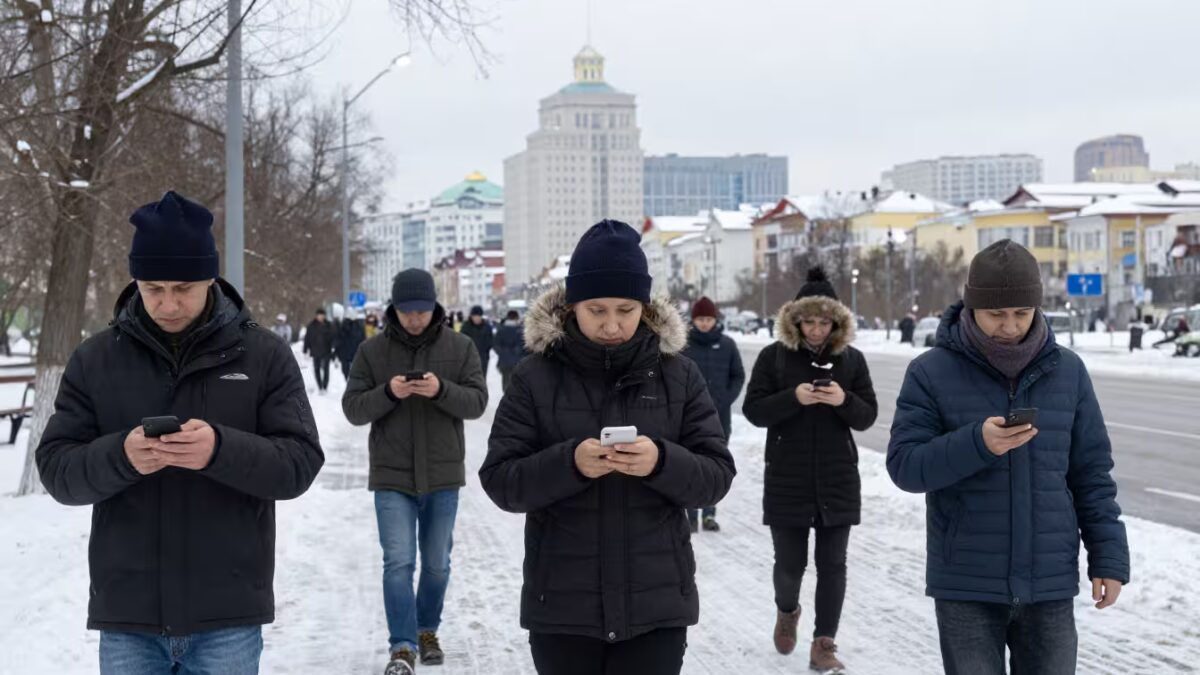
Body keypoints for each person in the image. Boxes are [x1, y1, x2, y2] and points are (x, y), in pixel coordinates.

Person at [36, 191, 324, 675]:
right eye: (153, 288)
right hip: (128, 617)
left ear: (210, 277)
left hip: (227, 614)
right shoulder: (95, 359)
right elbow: (56, 470)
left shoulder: (264, 355)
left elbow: (299, 464)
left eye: (183, 287)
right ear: (136, 282)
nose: (168, 303)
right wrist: (121, 457)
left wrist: (220, 450)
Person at [480, 219, 736, 675]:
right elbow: (502, 481)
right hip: (562, 608)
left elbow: (715, 477)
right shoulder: (534, 377)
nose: (612, 325)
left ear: (646, 307)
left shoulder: (679, 374)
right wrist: (570, 463)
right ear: (572, 306)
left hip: (654, 608)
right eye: (597, 310)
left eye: (625, 309)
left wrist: (661, 461)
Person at [887, 240, 1130, 675]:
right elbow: (905, 466)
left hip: (1049, 584)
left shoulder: (1068, 371)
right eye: (997, 314)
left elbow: (1091, 474)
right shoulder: (930, 372)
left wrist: (1108, 558)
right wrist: (976, 443)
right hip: (966, 583)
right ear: (971, 307)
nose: (1011, 326)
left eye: (1022, 313)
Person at [342, 268, 488, 675]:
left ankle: (427, 630)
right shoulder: (372, 352)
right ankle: (402, 644)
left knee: (438, 562)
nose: (415, 319)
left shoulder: (460, 347)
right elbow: (352, 409)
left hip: (442, 474)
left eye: (422, 310)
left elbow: (477, 402)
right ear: (395, 308)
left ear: (433, 307)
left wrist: (440, 390)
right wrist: (389, 392)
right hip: (392, 475)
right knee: (399, 561)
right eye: (407, 311)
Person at [743, 266, 878, 673]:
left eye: (824, 321)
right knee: (789, 565)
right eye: (809, 321)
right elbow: (752, 410)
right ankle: (788, 611)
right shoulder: (774, 358)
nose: (817, 330)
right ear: (795, 320)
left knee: (833, 565)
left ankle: (824, 644)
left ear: (836, 321)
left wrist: (842, 400)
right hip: (787, 476)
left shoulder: (851, 361)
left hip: (838, 478)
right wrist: (792, 397)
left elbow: (867, 416)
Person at [680, 296, 745, 533]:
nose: (704, 323)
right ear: (693, 320)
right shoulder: (683, 344)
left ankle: (709, 514)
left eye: (708, 319)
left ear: (715, 320)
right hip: (687, 417)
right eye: (700, 319)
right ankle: (690, 515)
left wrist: (726, 398)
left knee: (713, 465)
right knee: (689, 464)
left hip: (719, 416)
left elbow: (738, 375)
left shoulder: (727, 345)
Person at [303, 308, 336, 394]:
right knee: (316, 369)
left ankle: (325, 386)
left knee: (326, 369)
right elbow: (307, 338)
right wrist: (305, 349)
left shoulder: (329, 325)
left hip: (326, 350)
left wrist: (333, 347)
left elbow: (333, 337)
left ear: (324, 316)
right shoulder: (311, 326)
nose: (321, 317)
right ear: (316, 315)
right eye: (319, 315)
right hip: (315, 350)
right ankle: (320, 386)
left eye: (322, 315)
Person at [493, 309, 527, 392]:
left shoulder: (501, 329)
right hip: (519, 362)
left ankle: (507, 400)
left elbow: (495, 345)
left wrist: (503, 353)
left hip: (505, 362)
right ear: (516, 318)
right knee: (518, 385)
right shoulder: (521, 330)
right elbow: (525, 346)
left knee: (506, 384)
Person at [459, 305, 495, 376]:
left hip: (483, 357)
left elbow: (491, 341)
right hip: (468, 357)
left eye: (478, 316)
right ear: (471, 316)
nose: (476, 318)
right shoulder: (466, 326)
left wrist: (486, 349)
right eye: (474, 316)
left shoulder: (487, 327)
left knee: (482, 378)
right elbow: (461, 341)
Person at [335, 309, 367, 381]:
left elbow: (363, 339)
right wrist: (337, 352)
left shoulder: (360, 326)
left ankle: (353, 383)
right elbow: (339, 339)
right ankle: (348, 381)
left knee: (356, 371)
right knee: (345, 371)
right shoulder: (343, 326)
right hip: (345, 353)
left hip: (356, 352)